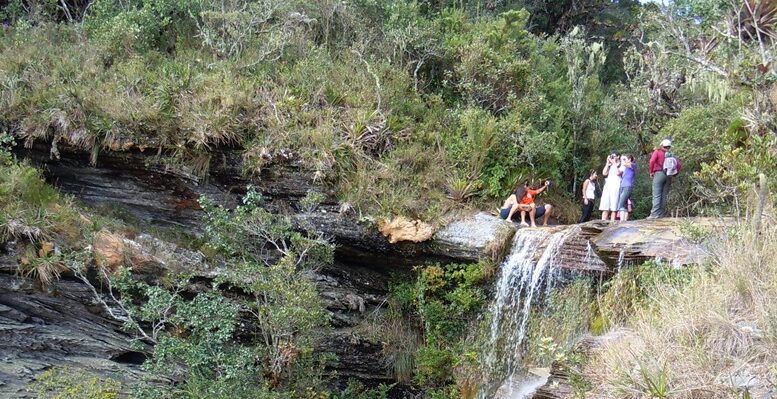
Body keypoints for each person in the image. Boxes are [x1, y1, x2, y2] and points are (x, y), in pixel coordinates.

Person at [648, 139, 681, 218]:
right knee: (664, 195)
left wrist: (651, 171)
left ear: (662, 145)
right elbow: (679, 165)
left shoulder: (658, 152)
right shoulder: (671, 154)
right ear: (669, 146)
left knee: (656, 194)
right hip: (668, 175)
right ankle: (661, 214)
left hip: (659, 173)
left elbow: (652, 161)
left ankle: (654, 214)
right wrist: (675, 174)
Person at [599, 152, 622, 221]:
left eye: (614, 156)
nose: (612, 158)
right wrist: (607, 163)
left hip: (616, 186)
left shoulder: (621, 164)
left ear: (618, 156)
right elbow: (604, 173)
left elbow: (618, 173)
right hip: (608, 186)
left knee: (613, 207)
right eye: (611, 156)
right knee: (605, 206)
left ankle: (612, 224)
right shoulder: (610, 165)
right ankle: (603, 222)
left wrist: (614, 163)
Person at [617, 154, 636, 222]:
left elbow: (625, 164)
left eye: (627, 158)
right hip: (623, 186)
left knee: (621, 203)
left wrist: (623, 159)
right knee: (624, 203)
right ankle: (624, 220)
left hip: (628, 186)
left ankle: (622, 220)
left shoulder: (633, 165)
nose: (625, 160)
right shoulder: (625, 168)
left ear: (630, 159)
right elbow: (618, 172)